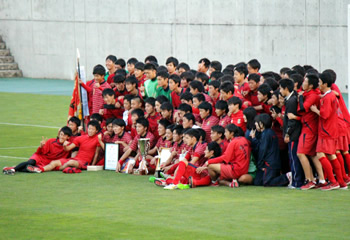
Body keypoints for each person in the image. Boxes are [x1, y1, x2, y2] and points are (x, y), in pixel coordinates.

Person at [310, 73, 347, 190]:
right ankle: (341, 182)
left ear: (325, 84)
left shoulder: (327, 97)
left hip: (326, 130)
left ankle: (333, 181)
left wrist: (315, 110)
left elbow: (325, 115)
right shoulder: (331, 95)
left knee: (320, 154)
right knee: (332, 155)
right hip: (331, 130)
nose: (318, 84)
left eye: (320, 82)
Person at [34, 121, 101, 173]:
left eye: (92, 129)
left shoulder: (98, 139)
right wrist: (64, 146)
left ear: (96, 130)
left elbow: (97, 154)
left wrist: (92, 165)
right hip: (75, 159)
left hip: (84, 162)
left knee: (70, 162)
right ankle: (40, 169)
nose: (90, 131)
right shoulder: (80, 138)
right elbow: (68, 149)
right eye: (89, 128)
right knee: (54, 162)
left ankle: (57, 168)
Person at [3, 127, 72, 174]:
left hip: (46, 163)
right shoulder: (51, 141)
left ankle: (11, 168)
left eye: (64, 135)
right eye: (61, 135)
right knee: (31, 162)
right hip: (40, 157)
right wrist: (41, 146)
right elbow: (40, 153)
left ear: (68, 137)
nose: (62, 137)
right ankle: (13, 169)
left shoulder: (68, 146)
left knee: (31, 169)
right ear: (59, 134)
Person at [248, 114, 291, 187]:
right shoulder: (267, 132)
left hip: (269, 164)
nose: (256, 125)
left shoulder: (267, 134)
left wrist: (260, 164)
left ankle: (287, 177)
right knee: (258, 182)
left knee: (267, 182)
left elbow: (262, 150)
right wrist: (254, 138)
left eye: (257, 123)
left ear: (261, 123)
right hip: (272, 162)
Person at [279, 78, 304, 188]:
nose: (280, 90)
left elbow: (292, 121)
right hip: (293, 134)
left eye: (281, 88)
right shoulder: (291, 99)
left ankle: (296, 182)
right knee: (293, 158)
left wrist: (288, 134)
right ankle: (296, 181)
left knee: (294, 158)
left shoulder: (291, 101)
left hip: (293, 135)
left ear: (285, 89)